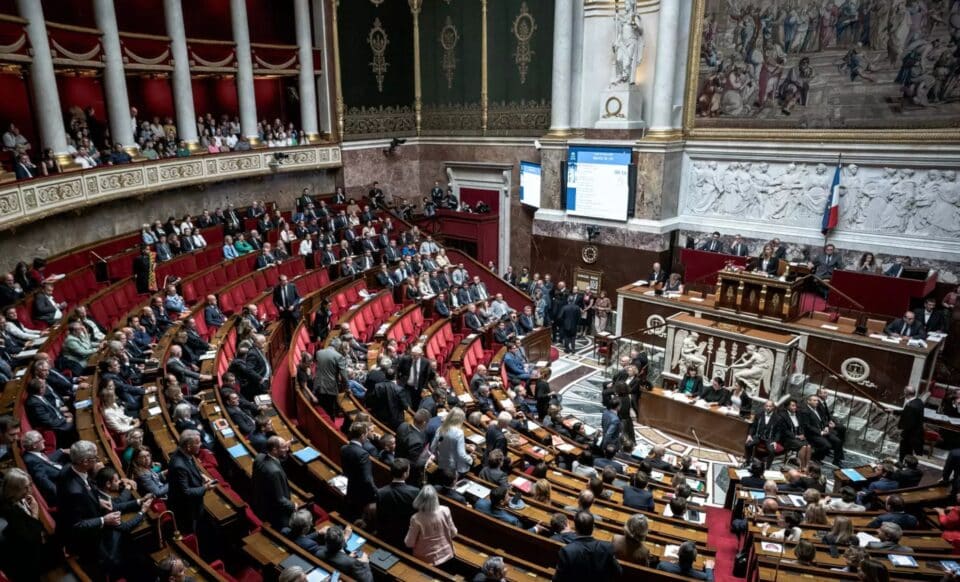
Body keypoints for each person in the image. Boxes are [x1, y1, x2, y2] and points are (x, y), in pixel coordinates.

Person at [0, 468, 49, 581]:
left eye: (30, 485)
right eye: (25, 488)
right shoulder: (9, 511)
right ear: (13, 491)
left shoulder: (18, 498)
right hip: (24, 562)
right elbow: (31, 539)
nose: (29, 491)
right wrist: (35, 514)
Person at [168, 430, 217, 534]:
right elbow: (186, 492)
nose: (201, 444)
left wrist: (201, 475)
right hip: (187, 510)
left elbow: (191, 465)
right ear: (188, 446)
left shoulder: (183, 452)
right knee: (192, 532)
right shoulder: (179, 465)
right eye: (197, 442)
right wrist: (205, 488)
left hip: (193, 505)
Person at [552, 511, 621, 581]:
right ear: (593, 528)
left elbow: (558, 579)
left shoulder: (567, 551)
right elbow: (618, 572)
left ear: (575, 528)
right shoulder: (607, 547)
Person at [405, 485, 458, 567]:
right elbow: (454, 533)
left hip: (425, 560)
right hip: (447, 555)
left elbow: (409, 543)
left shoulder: (416, 518)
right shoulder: (445, 510)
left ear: (420, 499)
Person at [251, 436, 294, 530]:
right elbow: (279, 499)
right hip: (274, 512)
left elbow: (277, 461)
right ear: (274, 450)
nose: (287, 448)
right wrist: (293, 506)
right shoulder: (275, 472)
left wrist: (284, 449)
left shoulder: (259, 456)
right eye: (284, 447)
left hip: (260, 499)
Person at [377, 458, 420, 548]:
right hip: (407, 533)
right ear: (405, 474)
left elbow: (380, 516)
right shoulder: (414, 492)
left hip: (387, 534)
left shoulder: (381, 492)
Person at [341, 422, 377, 519]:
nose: (366, 437)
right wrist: (377, 492)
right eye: (366, 434)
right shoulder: (363, 454)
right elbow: (367, 479)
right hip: (363, 495)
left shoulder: (343, 448)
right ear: (362, 436)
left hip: (351, 488)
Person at [798, 394, 843, 466]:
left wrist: (826, 426)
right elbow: (807, 426)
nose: (817, 402)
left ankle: (836, 461)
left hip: (822, 430)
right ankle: (815, 457)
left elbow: (822, 420)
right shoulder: (805, 411)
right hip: (812, 434)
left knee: (837, 441)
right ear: (808, 401)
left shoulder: (818, 409)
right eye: (814, 400)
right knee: (826, 445)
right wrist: (820, 432)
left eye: (817, 400)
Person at [898, 385, 925, 460]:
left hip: (909, 435)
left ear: (906, 393)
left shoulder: (911, 406)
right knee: (908, 453)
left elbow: (909, 424)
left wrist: (902, 433)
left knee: (903, 453)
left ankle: (901, 467)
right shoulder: (919, 402)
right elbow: (906, 413)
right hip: (915, 434)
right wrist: (893, 411)